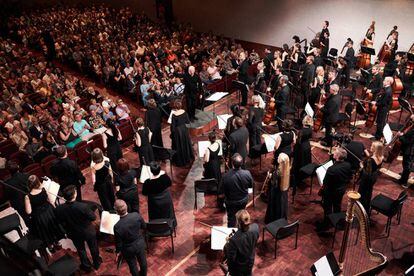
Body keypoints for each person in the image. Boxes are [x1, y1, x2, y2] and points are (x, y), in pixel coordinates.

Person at [54, 185, 102, 272]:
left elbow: (60, 221)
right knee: (93, 247)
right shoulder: (83, 206)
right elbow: (93, 217)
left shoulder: (59, 209)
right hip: (87, 231)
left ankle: (86, 266)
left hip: (73, 232)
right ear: (74, 195)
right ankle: (96, 263)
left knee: (81, 250)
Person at [24, 175, 64, 251]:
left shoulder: (28, 196)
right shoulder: (43, 189)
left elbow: (29, 211)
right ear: (38, 181)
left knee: (45, 230)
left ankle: (50, 246)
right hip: (49, 211)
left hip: (40, 216)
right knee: (52, 226)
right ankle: (57, 242)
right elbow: (50, 200)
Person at [317, 148, 351, 231]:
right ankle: (337, 222)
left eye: (334, 153)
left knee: (327, 208)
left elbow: (325, 182)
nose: (333, 154)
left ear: (337, 156)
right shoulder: (348, 165)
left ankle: (326, 225)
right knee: (337, 205)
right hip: (341, 190)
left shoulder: (332, 169)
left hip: (330, 192)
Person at [114, 199, 147, 276]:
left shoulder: (117, 226)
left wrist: (118, 252)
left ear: (116, 211)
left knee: (132, 266)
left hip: (128, 249)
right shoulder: (136, 215)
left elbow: (118, 243)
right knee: (143, 262)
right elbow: (144, 226)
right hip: (139, 243)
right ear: (126, 207)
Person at [223, 209, 259, 276]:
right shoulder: (255, 227)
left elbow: (231, 259)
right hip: (250, 260)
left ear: (238, 222)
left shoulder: (233, 240)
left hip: (239, 267)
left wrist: (229, 243)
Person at [222, 153, 253, 227]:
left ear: (232, 164)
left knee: (231, 218)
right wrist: (248, 195)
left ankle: (231, 234)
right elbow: (250, 188)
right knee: (242, 215)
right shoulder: (247, 173)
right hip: (243, 200)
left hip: (230, 202)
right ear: (242, 163)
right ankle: (241, 229)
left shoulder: (225, 176)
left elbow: (222, 191)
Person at [142, 162, 177, 227]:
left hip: (154, 202)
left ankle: (156, 228)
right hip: (166, 199)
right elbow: (169, 184)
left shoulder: (147, 182)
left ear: (151, 171)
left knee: (155, 215)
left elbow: (144, 193)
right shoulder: (164, 177)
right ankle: (171, 226)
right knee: (168, 213)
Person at [358, 141, 384, 212]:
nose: (370, 147)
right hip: (374, 176)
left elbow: (367, 173)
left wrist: (362, 166)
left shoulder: (370, 160)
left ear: (376, 149)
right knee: (368, 191)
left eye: (372, 146)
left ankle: (361, 209)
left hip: (367, 179)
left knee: (362, 192)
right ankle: (366, 206)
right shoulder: (381, 157)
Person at [265, 153, 290, 223]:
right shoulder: (287, 170)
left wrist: (269, 175)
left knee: (275, 208)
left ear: (281, 162)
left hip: (276, 194)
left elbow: (273, 184)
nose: (278, 156)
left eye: (279, 156)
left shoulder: (277, 173)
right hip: (283, 194)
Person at [291, 116, 313, 190]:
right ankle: (303, 174)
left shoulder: (301, 131)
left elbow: (299, 142)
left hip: (301, 148)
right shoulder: (310, 129)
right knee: (305, 161)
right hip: (307, 146)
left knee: (298, 162)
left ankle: (297, 177)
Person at [170, 100, 194, 167]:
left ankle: (181, 160)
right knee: (185, 143)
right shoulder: (185, 112)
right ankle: (187, 158)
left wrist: (172, 133)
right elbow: (188, 122)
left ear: (175, 106)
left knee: (179, 145)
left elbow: (173, 126)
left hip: (178, 132)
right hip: (184, 130)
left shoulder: (174, 115)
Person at [397, 115, 414, 187]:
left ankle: (403, 181)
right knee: (407, 164)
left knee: (407, 165)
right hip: (409, 149)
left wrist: (400, 136)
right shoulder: (412, 126)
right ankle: (404, 175)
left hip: (410, 150)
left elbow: (408, 141)